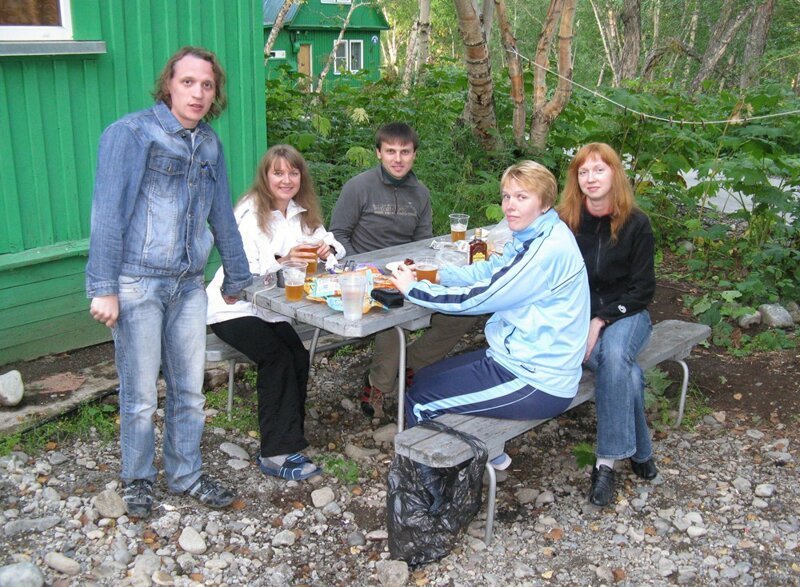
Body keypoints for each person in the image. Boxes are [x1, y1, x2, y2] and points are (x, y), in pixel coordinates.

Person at [86, 46, 252, 518]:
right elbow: (108, 215)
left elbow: (221, 214)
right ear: (168, 85)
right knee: (139, 395)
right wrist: (103, 287)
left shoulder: (210, 145)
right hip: (137, 284)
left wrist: (237, 275)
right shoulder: (131, 134)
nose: (198, 93)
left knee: (190, 392)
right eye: (188, 83)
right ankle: (137, 480)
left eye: (207, 85)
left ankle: (185, 474)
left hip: (186, 286)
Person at [391, 160, 590, 470]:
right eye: (506, 196)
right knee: (423, 378)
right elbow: (490, 269)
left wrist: (413, 290)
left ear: (545, 202)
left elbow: (481, 297)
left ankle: (429, 498)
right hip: (518, 357)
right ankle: (492, 455)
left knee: (420, 400)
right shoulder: (537, 233)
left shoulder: (545, 250)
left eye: (522, 197)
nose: (509, 206)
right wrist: (436, 275)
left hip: (537, 379)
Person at [207, 144, 344, 481]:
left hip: (273, 309)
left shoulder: (302, 211)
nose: (286, 180)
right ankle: (273, 452)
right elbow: (241, 267)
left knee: (297, 354)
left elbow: (333, 244)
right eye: (278, 173)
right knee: (277, 358)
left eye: (293, 173)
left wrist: (329, 249)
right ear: (265, 177)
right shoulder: (249, 212)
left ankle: (290, 438)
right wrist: (284, 260)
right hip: (232, 306)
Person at [329, 122, 479, 419]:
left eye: (405, 152)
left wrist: (419, 269)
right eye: (390, 152)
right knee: (391, 310)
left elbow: (423, 244)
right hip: (365, 277)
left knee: (465, 311)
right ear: (378, 153)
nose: (398, 159)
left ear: (415, 155)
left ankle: (410, 364)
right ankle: (379, 385)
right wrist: (365, 268)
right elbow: (337, 236)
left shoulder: (420, 193)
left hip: (405, 274)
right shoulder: (359, 187)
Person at [557, 143, 658, 507]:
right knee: (625, 372)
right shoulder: (564, 220)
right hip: (577, 317)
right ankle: (641, 450)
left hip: (628, 314)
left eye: (599, 170)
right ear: (576, 179)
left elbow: (643, 289)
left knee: (616, 354)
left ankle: (605, 463)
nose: (591, 178)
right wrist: (580, 318)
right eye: (583, 172)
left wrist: (600, 319)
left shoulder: (636, 223)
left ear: (615, 174)